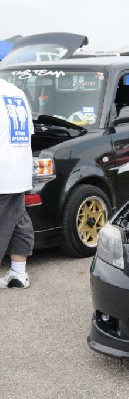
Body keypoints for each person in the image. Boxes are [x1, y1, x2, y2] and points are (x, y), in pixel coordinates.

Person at [0, 78, 35, 289]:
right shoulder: (15, 92)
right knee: (18, 220)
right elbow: (28, 132)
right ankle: (18, 273)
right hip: (18, 170)